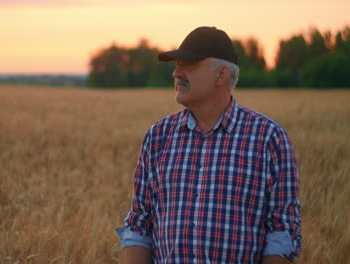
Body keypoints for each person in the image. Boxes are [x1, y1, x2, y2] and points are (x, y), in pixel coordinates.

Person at [116, 26, 301, 264]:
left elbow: (283, 233)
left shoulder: (268, 139)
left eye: (188, 65)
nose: (176, 73)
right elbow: (139, 227)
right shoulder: (158, 137)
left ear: (222, 75)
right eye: (176, 65)